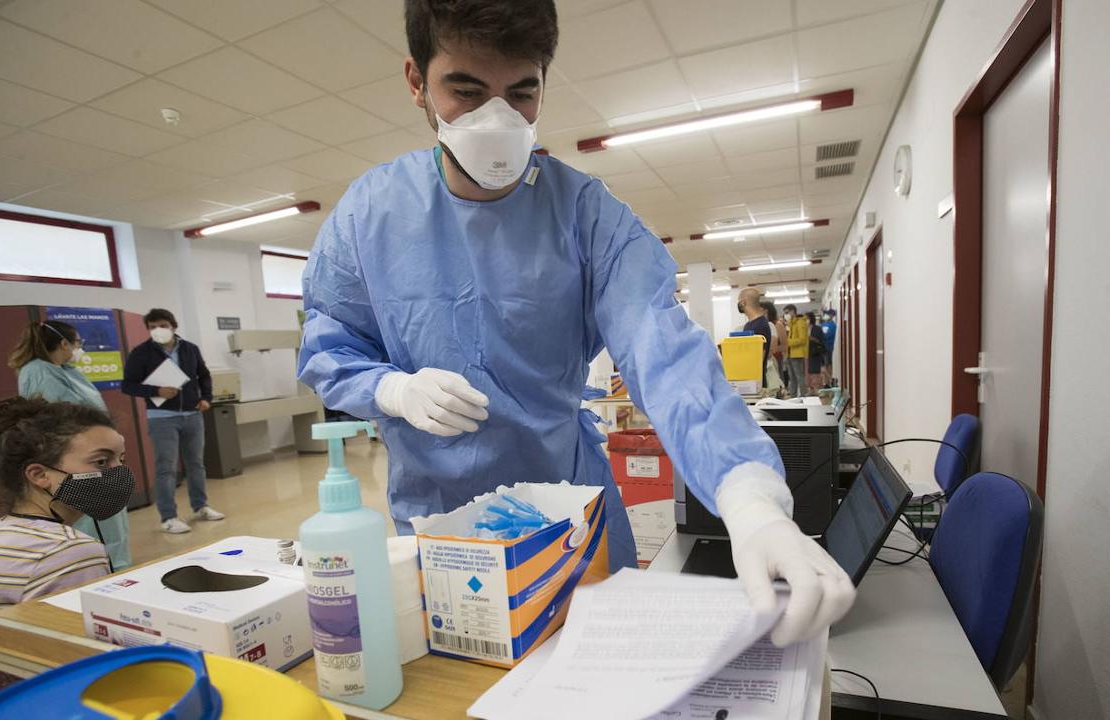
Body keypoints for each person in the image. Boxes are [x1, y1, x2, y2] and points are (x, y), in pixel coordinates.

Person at [298, 0, 854, 648]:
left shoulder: (585, 215)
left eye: (521, 92)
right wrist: (388, 389)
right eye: (466, 90)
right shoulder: (370, 215)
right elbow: (330, 343)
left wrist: (750, 498)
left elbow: (662, 348)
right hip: (441, 530)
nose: (496, 118)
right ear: (417, 82)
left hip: (569, 515)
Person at [0, 397, 132, 610]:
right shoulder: (68, 552)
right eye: (101, 462)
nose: (119, 472)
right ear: (39, 474)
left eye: (121, 460)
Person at [8, 321, 131, 568]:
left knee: (111, 520)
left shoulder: (66, 370)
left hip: (96, 456)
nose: (78, 349)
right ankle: (93, 569)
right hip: (76, 460)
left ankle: (116, 569)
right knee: (86, 520)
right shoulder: (39, 371)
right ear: (64, 343)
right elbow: (62, 421)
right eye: (77, 343)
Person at [121, 309, 224, 534]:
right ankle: (168, 517)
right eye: (152, 326)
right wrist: (156, 390)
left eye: (163, 325)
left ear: (173, 326)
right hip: (162, 418)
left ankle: (201, 506)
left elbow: (203, 375)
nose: (158, 330)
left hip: (192, 415)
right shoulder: (141, 353)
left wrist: (206, 398)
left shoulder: (189, 349)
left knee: (196, 463)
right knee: (166, 467)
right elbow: (128, 385)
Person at [736, 288, 773, 390]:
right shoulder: (749, 325)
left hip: (756, 383)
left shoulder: (760, 325)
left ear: (743, 302)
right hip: (748, 381)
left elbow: (758, 359)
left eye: (738, 301)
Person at [761, 301, 786, 397]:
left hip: (776, 358)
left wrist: (770, 349)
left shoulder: (777, 325)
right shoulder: (763, 324)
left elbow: (784, 345)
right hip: (767, 358)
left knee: (777, 384)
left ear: (766, 311)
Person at [783, 305, 808, 398]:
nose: (786, 315)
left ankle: (804, 395)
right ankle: (793, 396)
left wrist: (788, 342)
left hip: (797, 354)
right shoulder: (790, 323)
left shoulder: (801, 322)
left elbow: (802, 339)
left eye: (787, 312)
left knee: (799, 376)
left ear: (793, 311)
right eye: (785, 313)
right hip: (789, 354)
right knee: (791, 377)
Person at [806, 313, 828, 395]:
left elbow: (821, 341)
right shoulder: (804, 328)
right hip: (806, 353)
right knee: (808, 373)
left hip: (815, 353)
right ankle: (811, 390)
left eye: (807, 318)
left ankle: (817, 390)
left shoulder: (817, 329)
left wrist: (811, 339)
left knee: (815, 372)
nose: (805, 320)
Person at [820, 309, 838, 386]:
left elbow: (828, 336)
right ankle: (825, 382)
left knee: (828, 365)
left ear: (832, 315)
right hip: (821, 348)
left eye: (827, 314)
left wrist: (821, 336)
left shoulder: (833, 325)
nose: (826, 315)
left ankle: (830, 380)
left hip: (828, 348)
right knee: (823, 366)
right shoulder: (823, 324)